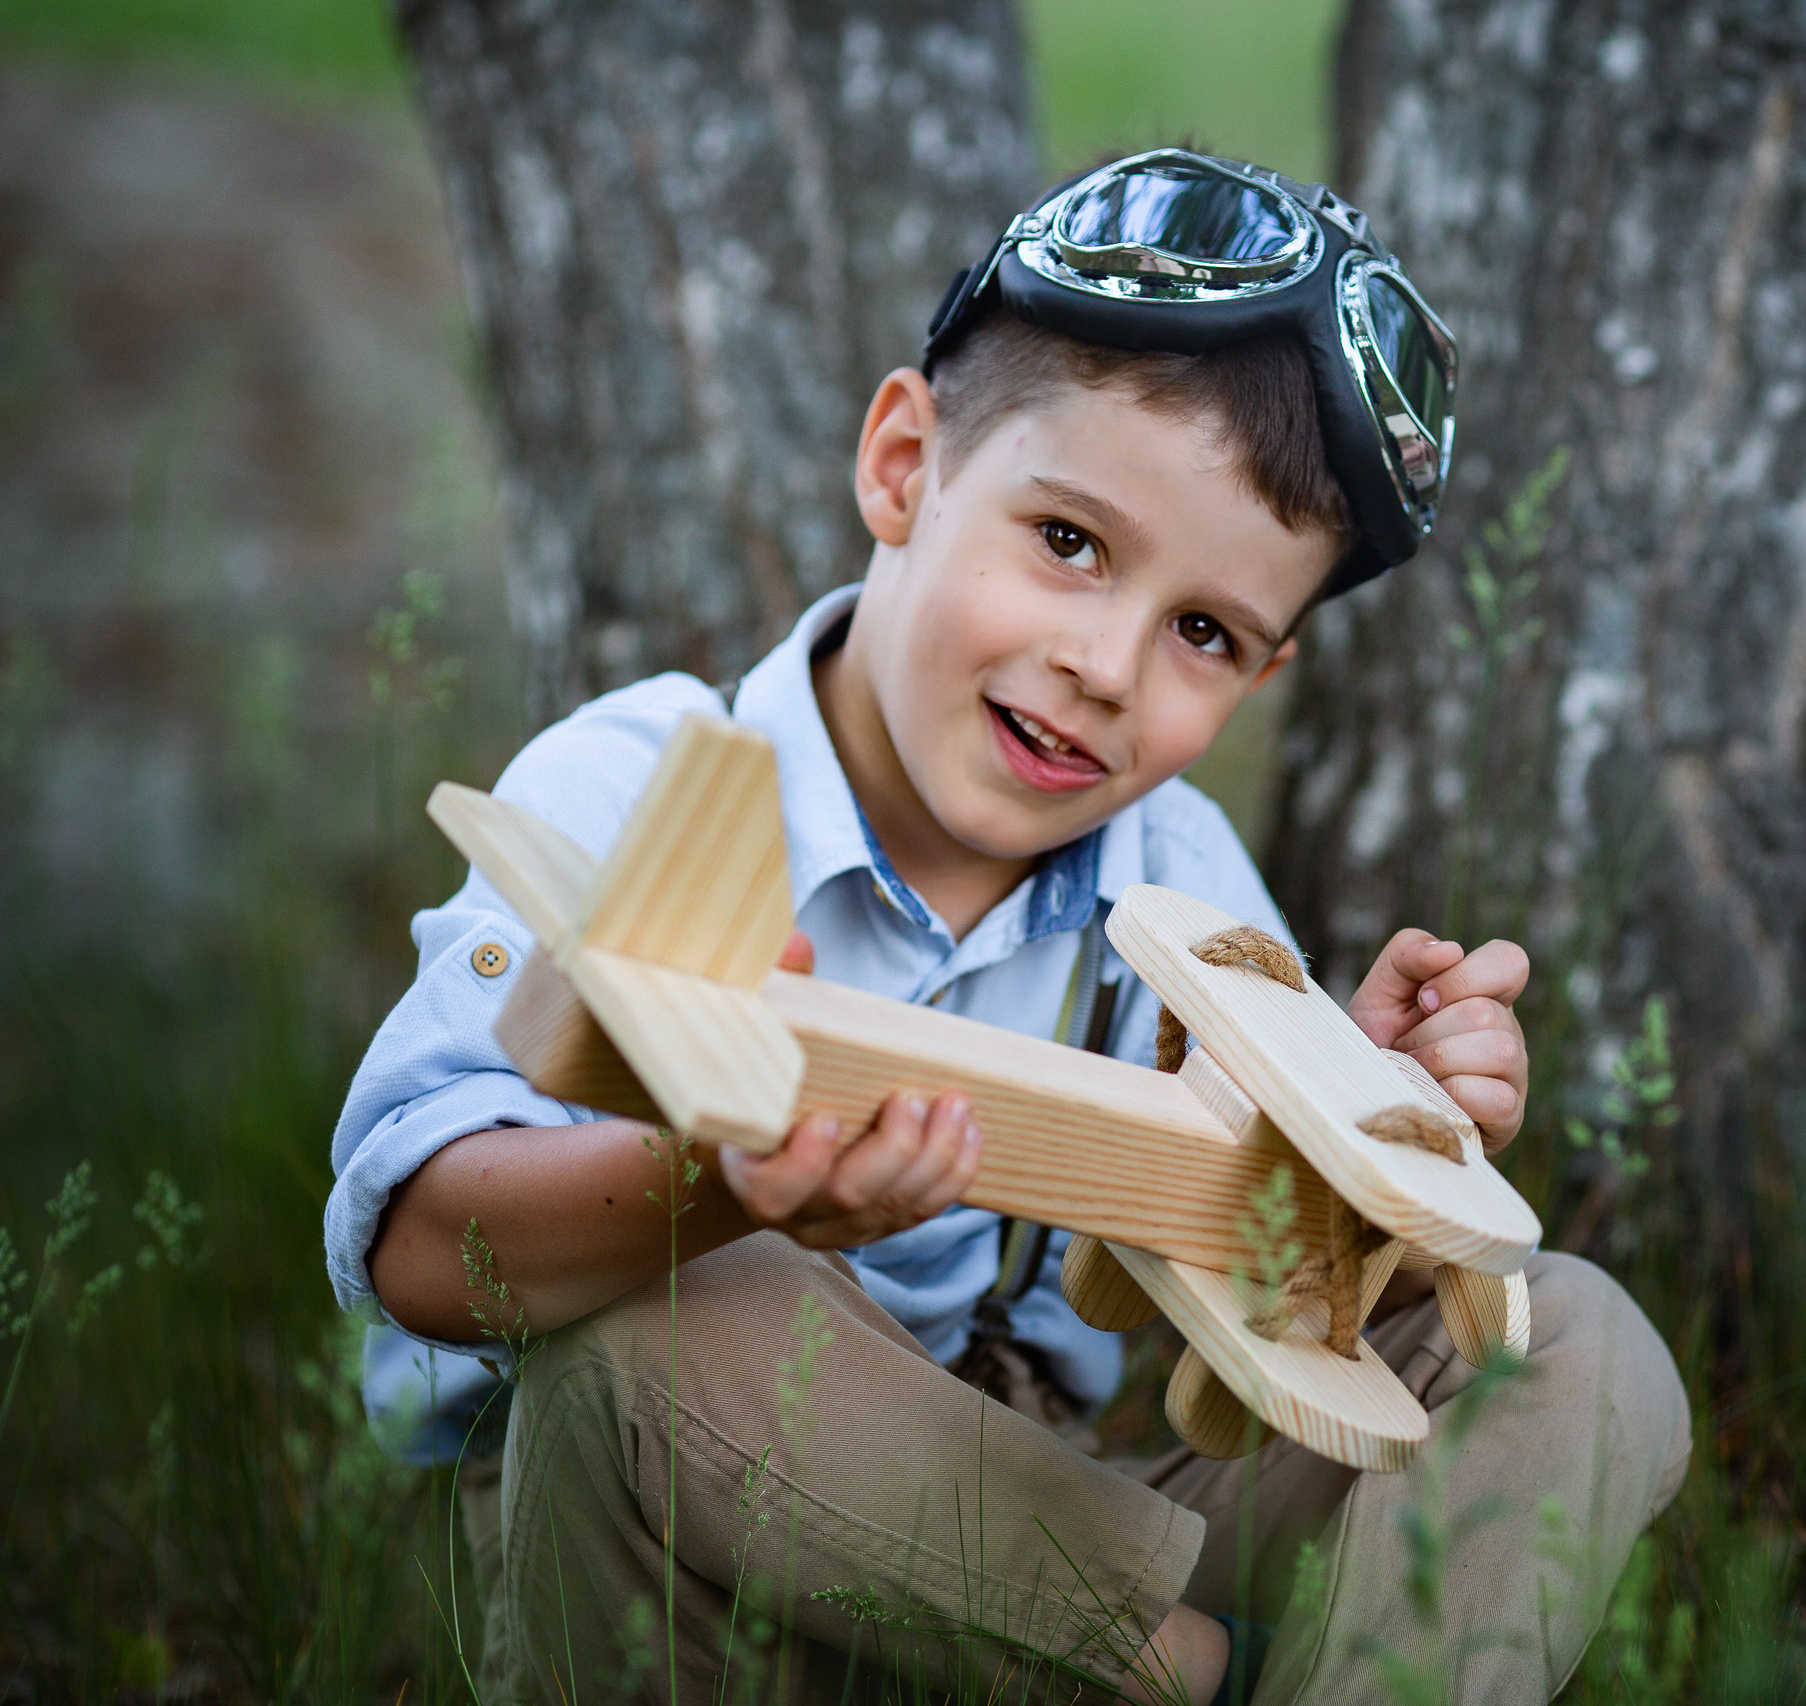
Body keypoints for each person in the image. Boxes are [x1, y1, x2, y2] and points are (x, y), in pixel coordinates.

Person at [330, 149, 1689, 1704]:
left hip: (1009, 1576)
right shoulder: (642, 786)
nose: (1107, 663)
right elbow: (426, 1252)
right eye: (1068, 542)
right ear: (904, 464)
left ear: (1253, 681)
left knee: (1571, 1335)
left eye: (1201, 631)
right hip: (690, 1603)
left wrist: (1363, 1132)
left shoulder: (1172, 881)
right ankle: (1189, 1671)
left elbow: (1261, 1314)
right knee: (673, 1309)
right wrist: (711, 1188)